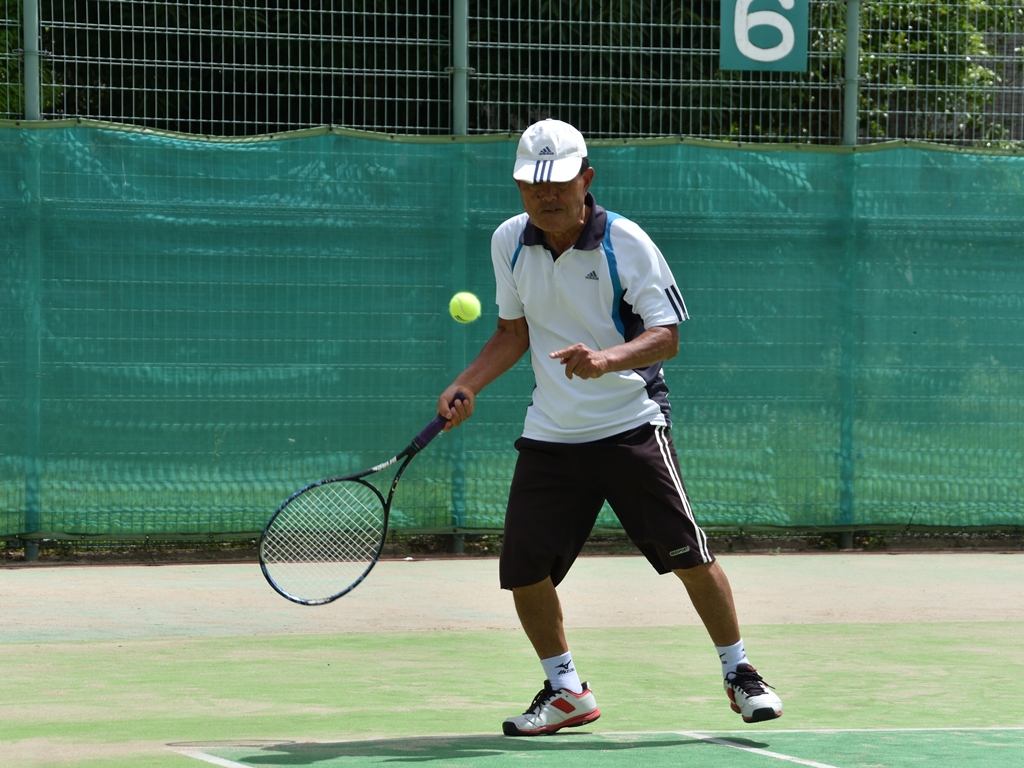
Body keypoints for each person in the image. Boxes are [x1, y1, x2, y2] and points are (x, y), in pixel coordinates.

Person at [436, 118, 782, 736]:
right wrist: (468, 384)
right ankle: (566, 690)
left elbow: (666, 336)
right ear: (519, 187)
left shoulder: (626, 242)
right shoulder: (509, 241)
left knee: (688, 555)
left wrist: (606, 360)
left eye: (559, 183)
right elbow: (512, 332)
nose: (546, 195)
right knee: (523, 570)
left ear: (586, 179)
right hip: (552, 432)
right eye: (533, 185)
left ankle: (740, 673)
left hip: (631, 424)